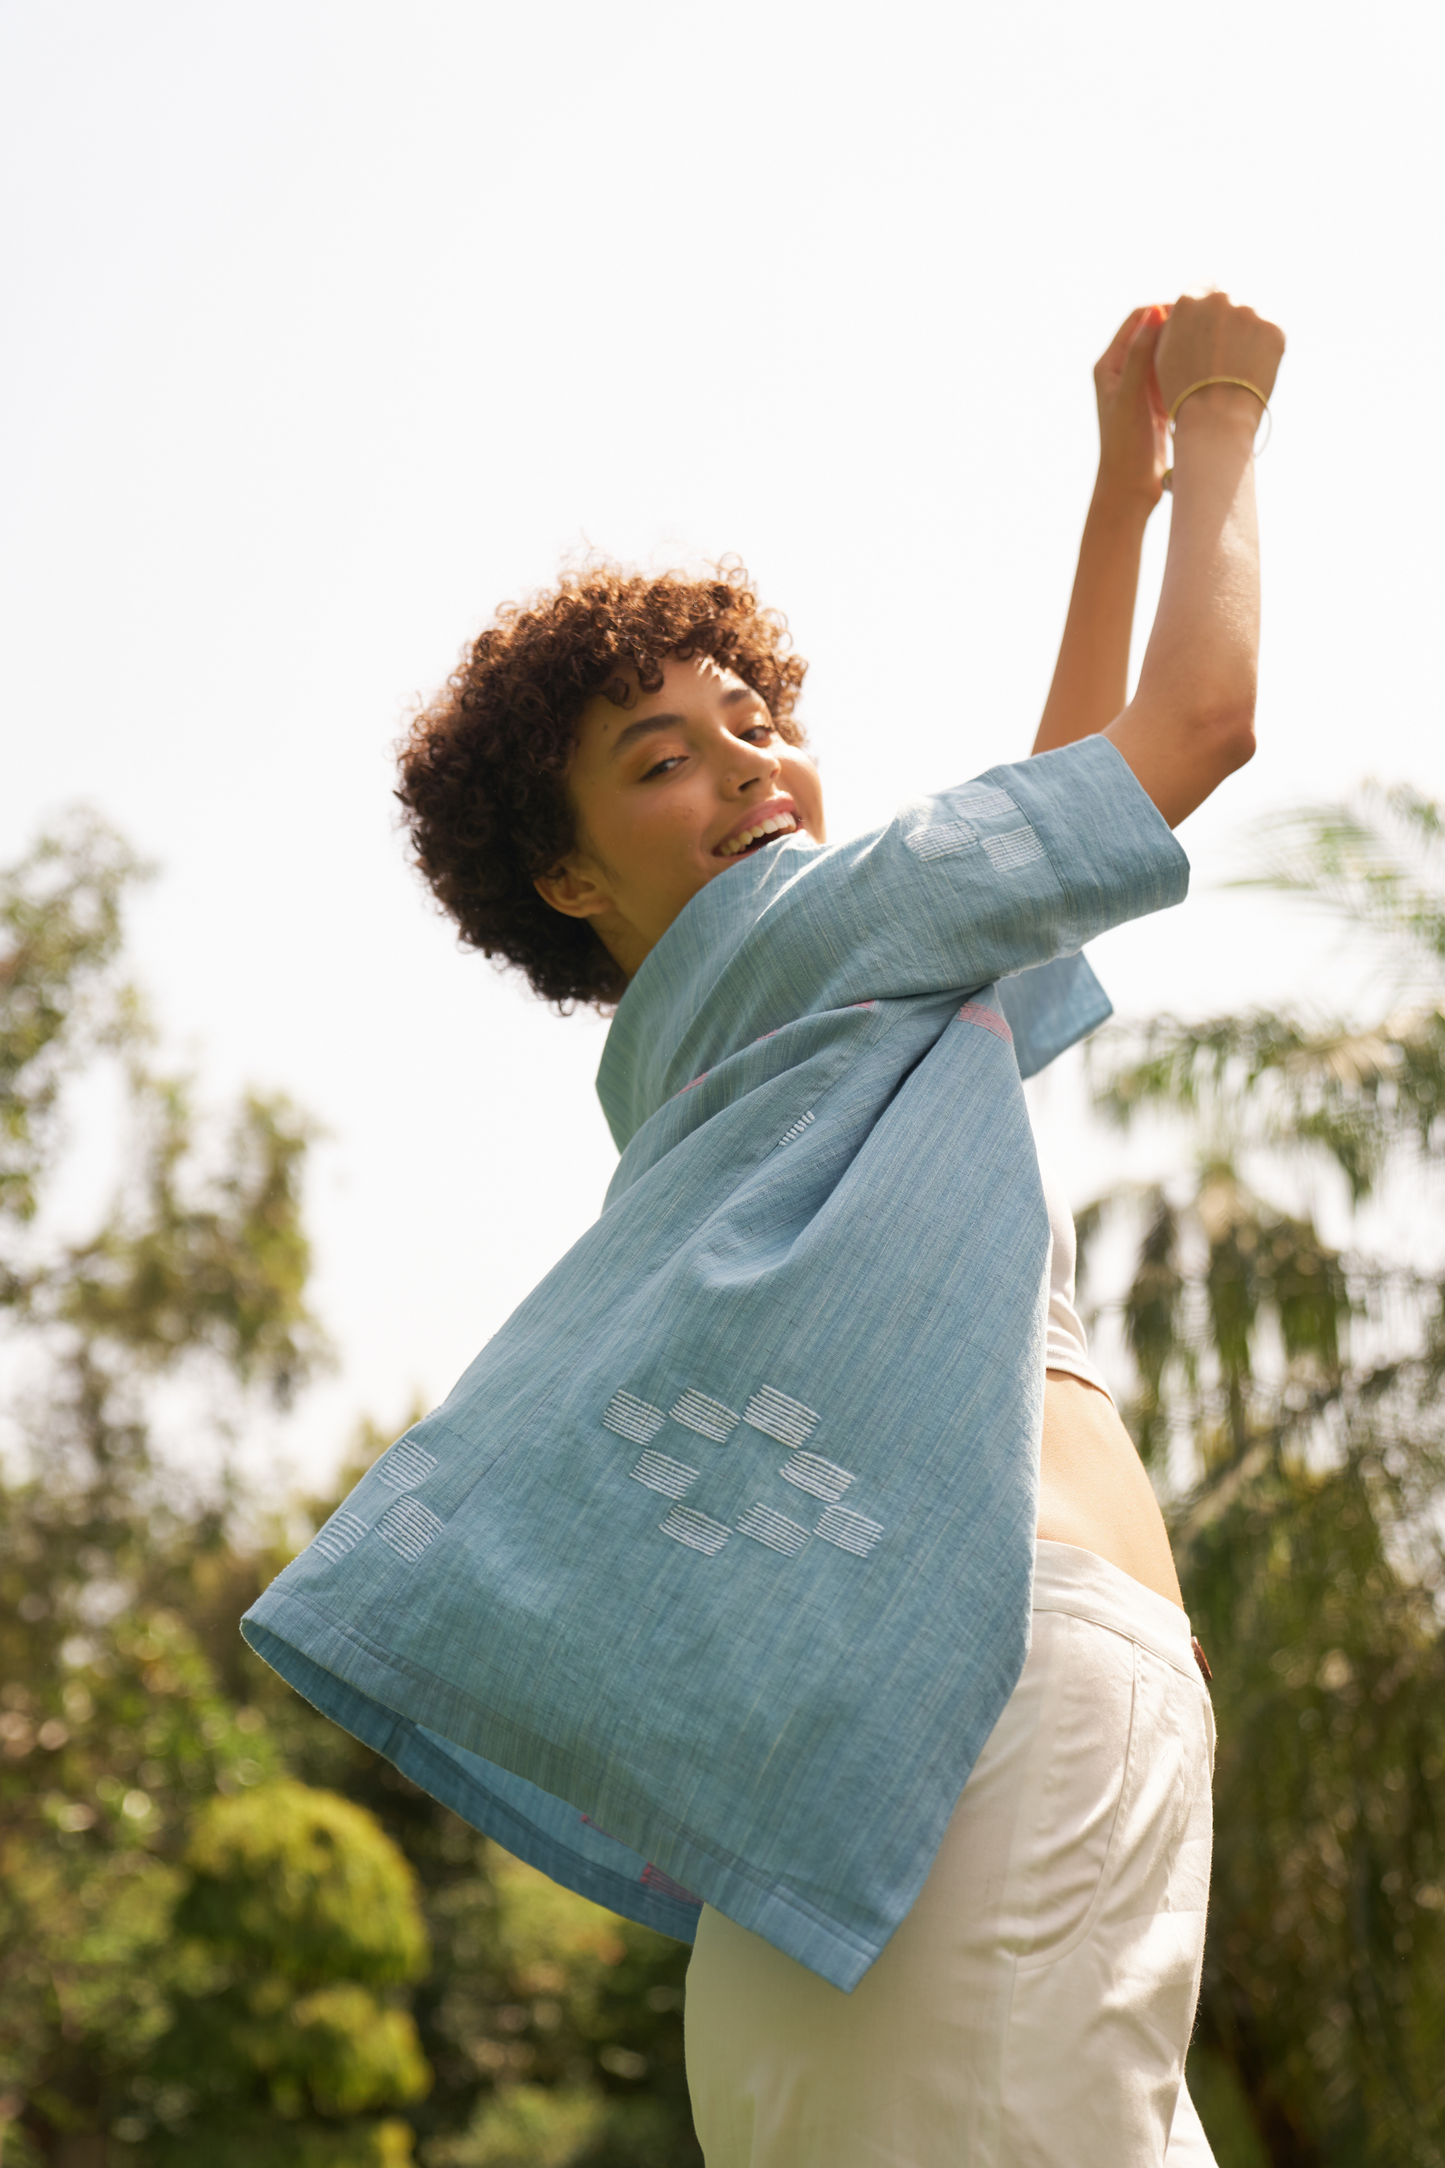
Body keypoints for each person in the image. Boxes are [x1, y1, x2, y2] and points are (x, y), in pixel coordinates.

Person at [243, 291, 1284, 2166]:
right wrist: (1218, 421)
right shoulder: (823, 939)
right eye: (662, 760)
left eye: (761, 724)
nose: (750, 773)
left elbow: (1035, 883)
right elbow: (1193, 728)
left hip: (959, 1736)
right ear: (566, 876)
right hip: (988, 1700)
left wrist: (1112, 514)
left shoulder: (736, 1048)